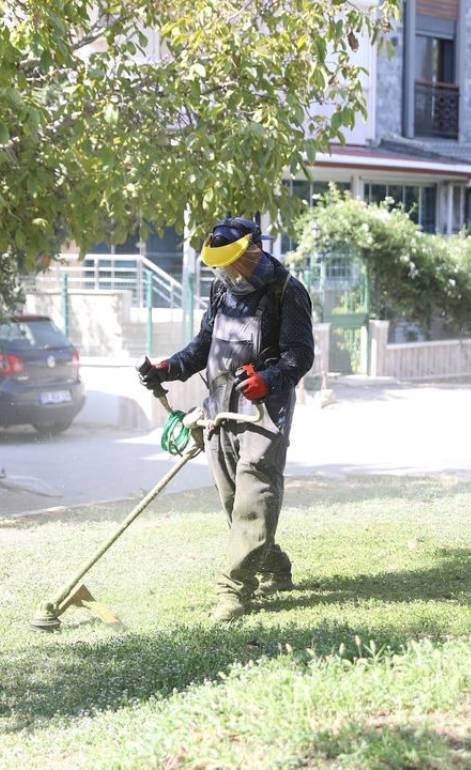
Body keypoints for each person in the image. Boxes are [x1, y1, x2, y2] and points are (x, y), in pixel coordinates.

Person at [139, 216, 314, 623]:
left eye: (231, 264)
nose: (226, 273)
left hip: (264, 410)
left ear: (253, 251)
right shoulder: (221, 290)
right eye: (219, 267)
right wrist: (169, 368)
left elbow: (299, 355)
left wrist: (268, 379)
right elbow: (204, 346)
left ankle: (233, 591)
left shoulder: (287, 292)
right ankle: (274, 564)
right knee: (236, 503)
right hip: (220, 407)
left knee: (255, 495)